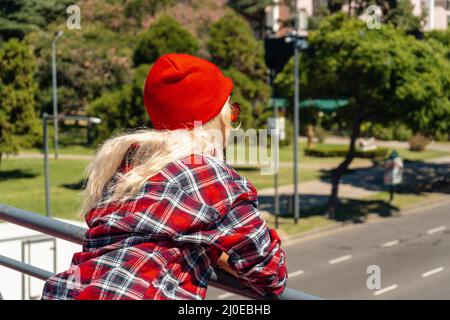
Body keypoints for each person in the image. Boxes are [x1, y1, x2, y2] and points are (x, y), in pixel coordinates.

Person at [41, 53, 287, 300]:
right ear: (214, 120)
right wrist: (219, 254)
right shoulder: (211, 179)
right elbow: (271, 275)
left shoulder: (126, 168)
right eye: (231, 113)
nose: (232, 126)